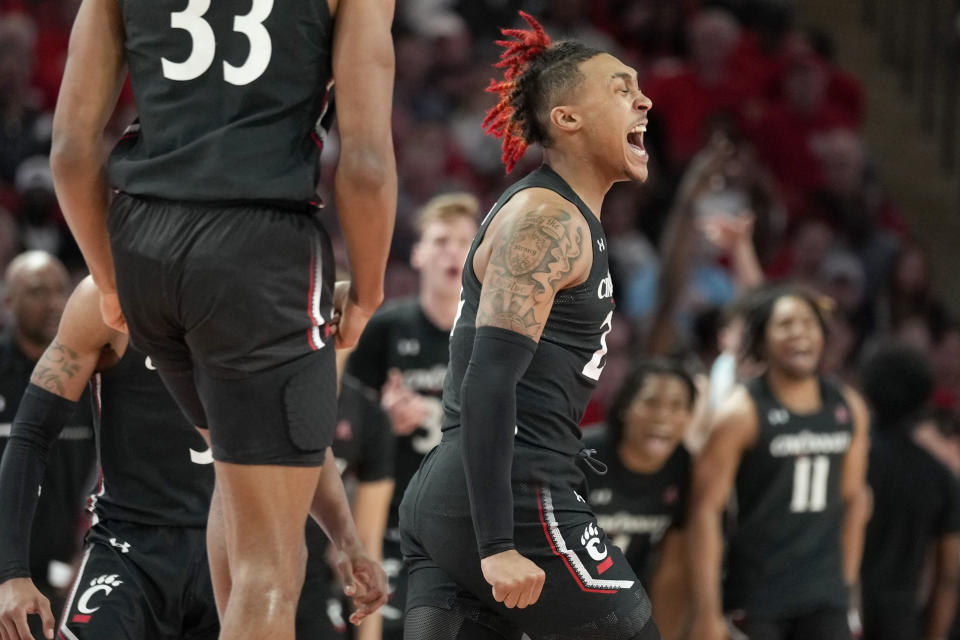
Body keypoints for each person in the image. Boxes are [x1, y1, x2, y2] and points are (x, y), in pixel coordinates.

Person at [49, 0, 396, 637]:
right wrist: (369, 293)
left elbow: (71, 153)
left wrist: (107, 279)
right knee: (273, 566)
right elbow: (368, 168)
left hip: (143, 242)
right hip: (259, 248)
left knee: (235, 474)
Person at [398, 12, 662, 638]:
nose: (644, 99)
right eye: (621, 88)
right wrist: (496, 543)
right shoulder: (548, 218)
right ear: (567, 118)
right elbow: (491, 381)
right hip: (514, 495)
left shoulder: (562, 216)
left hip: (464, 487)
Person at [0, 277, 395, 640]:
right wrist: (10, 571)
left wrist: (346, 540)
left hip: (236, 552)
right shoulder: (110, 292)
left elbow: (296, 435)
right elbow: (32, 432)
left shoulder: (268, 297)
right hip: (131, 547)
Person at [689, 286, 870, 640]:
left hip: (824, 595)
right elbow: (705, 512)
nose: (799, 332)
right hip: (757, 596)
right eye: (786, 324)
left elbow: (855, 501)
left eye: (808, 323)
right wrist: (706, 612)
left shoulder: (848, 406)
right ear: (762, 339)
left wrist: (846, 588)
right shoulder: (740, 413)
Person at [345, 191, 479, 639]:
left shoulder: (492, 337)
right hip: (391, 514)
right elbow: (342, 420)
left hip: (464, 521)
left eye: (464, 241)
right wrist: (379, 420)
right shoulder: (385, 329)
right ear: (418, 254)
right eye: (440, 240)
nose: (453, 251)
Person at [0, 251, 96, 636]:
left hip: (64, 565)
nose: (55, 302)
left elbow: (102, 473)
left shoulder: (90, 382)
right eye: (38, 292)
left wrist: (86, 551)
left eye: (61, 291)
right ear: (8, 300)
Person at [581, 359, 696, 640]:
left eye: (677, 406)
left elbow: (673, 570)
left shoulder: (686, 469)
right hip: (566, 601)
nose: (663, 417)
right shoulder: (583, 456)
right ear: (624, 408)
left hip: (629, 607)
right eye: (651, 402)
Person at [859, 341, 960, 640]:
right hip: (902, 619)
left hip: (840, 611)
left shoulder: (846, 461)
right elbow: (949, 577)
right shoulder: (939, 476)